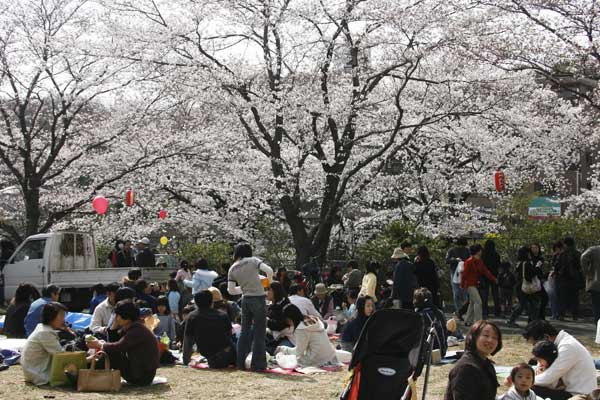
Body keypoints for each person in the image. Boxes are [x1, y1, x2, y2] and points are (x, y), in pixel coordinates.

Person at [88, 300, 159, 386]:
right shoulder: (134, 326)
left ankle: (87, 374)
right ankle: (88, 371)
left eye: (118, 316)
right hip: (141, 373)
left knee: (111, 353)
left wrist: (99, 344)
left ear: (127, 316)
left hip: (142, 377)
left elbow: (118, 346)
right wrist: (113, 327)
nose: (116, 318)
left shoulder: (137, 330)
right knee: (110, 351)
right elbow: (114, 343)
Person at [522, 320, 597, 399]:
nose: (535, 347)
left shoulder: (567, 347)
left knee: (528, 390)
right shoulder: (558, 344)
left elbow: (549, 377)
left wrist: (524, 381)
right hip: (568, 390)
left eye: (535, 344)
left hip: (580, 395)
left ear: (546, 337)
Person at [227, 243, 273, 372]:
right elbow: (269, 270)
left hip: (245, 299)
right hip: (258, 298)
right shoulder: (253, 261)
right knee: (259, 333)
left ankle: (240, 363)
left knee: (244, 332)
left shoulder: (233, 268)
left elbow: (230, 290)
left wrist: (244, 288)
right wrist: (267, 283)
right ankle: (258, 365)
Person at [444, 320, 502, 400]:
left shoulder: (486, 363)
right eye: (486, 335)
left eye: (494, 337)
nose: (490, 340)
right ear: (474, 337)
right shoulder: (466, 368)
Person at [21, 302, 72, 385]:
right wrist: (85, 359)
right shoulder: (45, 332)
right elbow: (61, 356)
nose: (63, 320)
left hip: (33, 370)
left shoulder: (42, 328)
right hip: (39, 374)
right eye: (61, 316)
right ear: (51, 317)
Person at [182, 290, 236, 368]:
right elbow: (230, 335)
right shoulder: (223, 315)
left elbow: (188, 341)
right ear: (212, 302)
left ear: (196, 303)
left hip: (209, 357)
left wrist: (186, 360)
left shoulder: (192, 316)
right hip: (228, 356)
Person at [462, 244, 497, 326]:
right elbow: (464, 274)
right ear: (477, 251)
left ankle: (467, 320)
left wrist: (493, 279)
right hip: (469, 284)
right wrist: (463, 285)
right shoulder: (469, 261)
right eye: (480, 250)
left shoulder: (479, 261)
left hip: (475, 284)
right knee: (478, 302)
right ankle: (478, 321)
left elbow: (485, 271)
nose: (481, 251)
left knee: (472, 303)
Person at [508, 246, 541, 327]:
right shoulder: (527, 263)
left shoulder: (519, 263)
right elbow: (531, 274)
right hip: (525, 286)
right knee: (526, 305)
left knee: (527, 304)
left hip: (521, 286)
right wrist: (537, 267)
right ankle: (512, 321)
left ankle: (533, 322)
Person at [413, 287, 447, 358]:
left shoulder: (419, 316)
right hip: (442, 352)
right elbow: (445, 331)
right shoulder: (439, 312)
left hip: (425, 355)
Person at [555, 237, 583, 321]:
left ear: (565, 244)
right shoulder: (578, 253)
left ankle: (561, 315)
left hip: (563, 278)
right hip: (575, 278)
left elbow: (557, 266)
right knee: (574, 297)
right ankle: (575, 315)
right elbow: (580, 266)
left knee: (562, 297)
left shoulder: (562, 254)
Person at [266, 281, 293, 354]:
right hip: (275, 336)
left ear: (275, 291)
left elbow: (279, 326)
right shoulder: (271, 305)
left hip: (288, 337)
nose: (266, 293)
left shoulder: (285, 306)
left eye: (269, 290)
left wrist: (265, 321)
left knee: (280, 353)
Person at [446, 237, 470, 316]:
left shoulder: (452, 250)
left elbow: (447, 260)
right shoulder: (465, 250)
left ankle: (460, 310)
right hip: (459, 273)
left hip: (458, 273)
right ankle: (462, 311)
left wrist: (454, 260)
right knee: (463, 293)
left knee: (458, 293)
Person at [391, 241, 417, 309]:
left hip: (402, 296)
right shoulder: (410, 264)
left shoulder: (398, 265)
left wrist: (392, 296)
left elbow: (396, 282)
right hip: (411, 294)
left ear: (397, 257)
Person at [480, 240, 501, 318]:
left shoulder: (483, 254)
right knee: (495, 294)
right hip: (494, 275)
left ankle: (485, 312)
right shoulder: (496, 255)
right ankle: (497, 311)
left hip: (484, 276)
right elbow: (498, 264)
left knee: (485, 295)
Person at [580, 244, 600, 324]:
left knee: (596, 307)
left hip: (596, 283)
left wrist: (587, 273)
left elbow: (583, 257)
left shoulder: (594, 250)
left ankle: (598, 328)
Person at [531, 243, 549, 320]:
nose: (534, 249)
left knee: (544, 298)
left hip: (539, 280)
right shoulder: (530, 259)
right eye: (533, 248)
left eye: (536, 248)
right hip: (533, 280)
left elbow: (541, 269)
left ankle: (540, 316)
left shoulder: (541, 258)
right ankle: (538, 317)